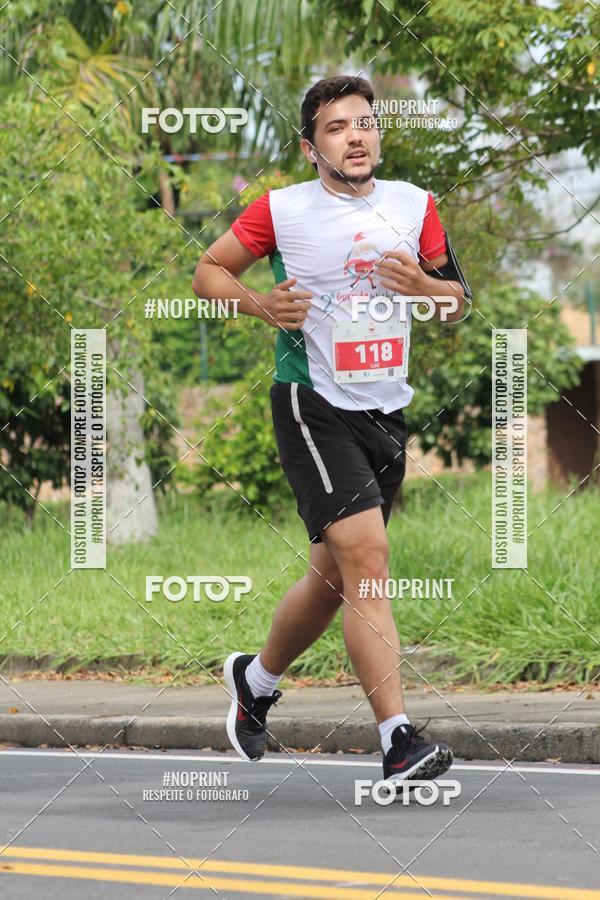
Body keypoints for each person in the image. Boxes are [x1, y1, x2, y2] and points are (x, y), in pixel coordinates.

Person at [192, 74, 471, 787]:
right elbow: (208, 272)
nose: (356, 135)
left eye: (366, 123)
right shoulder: (282, 211)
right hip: (310, 403)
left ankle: (253, 681)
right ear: (311, 146)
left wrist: (428, 291)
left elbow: (459, 301)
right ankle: (398, 740)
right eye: (338, 127)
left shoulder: (415, 206)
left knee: (333, 577)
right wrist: (261, 305)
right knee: (369, 560)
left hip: (386, 409)